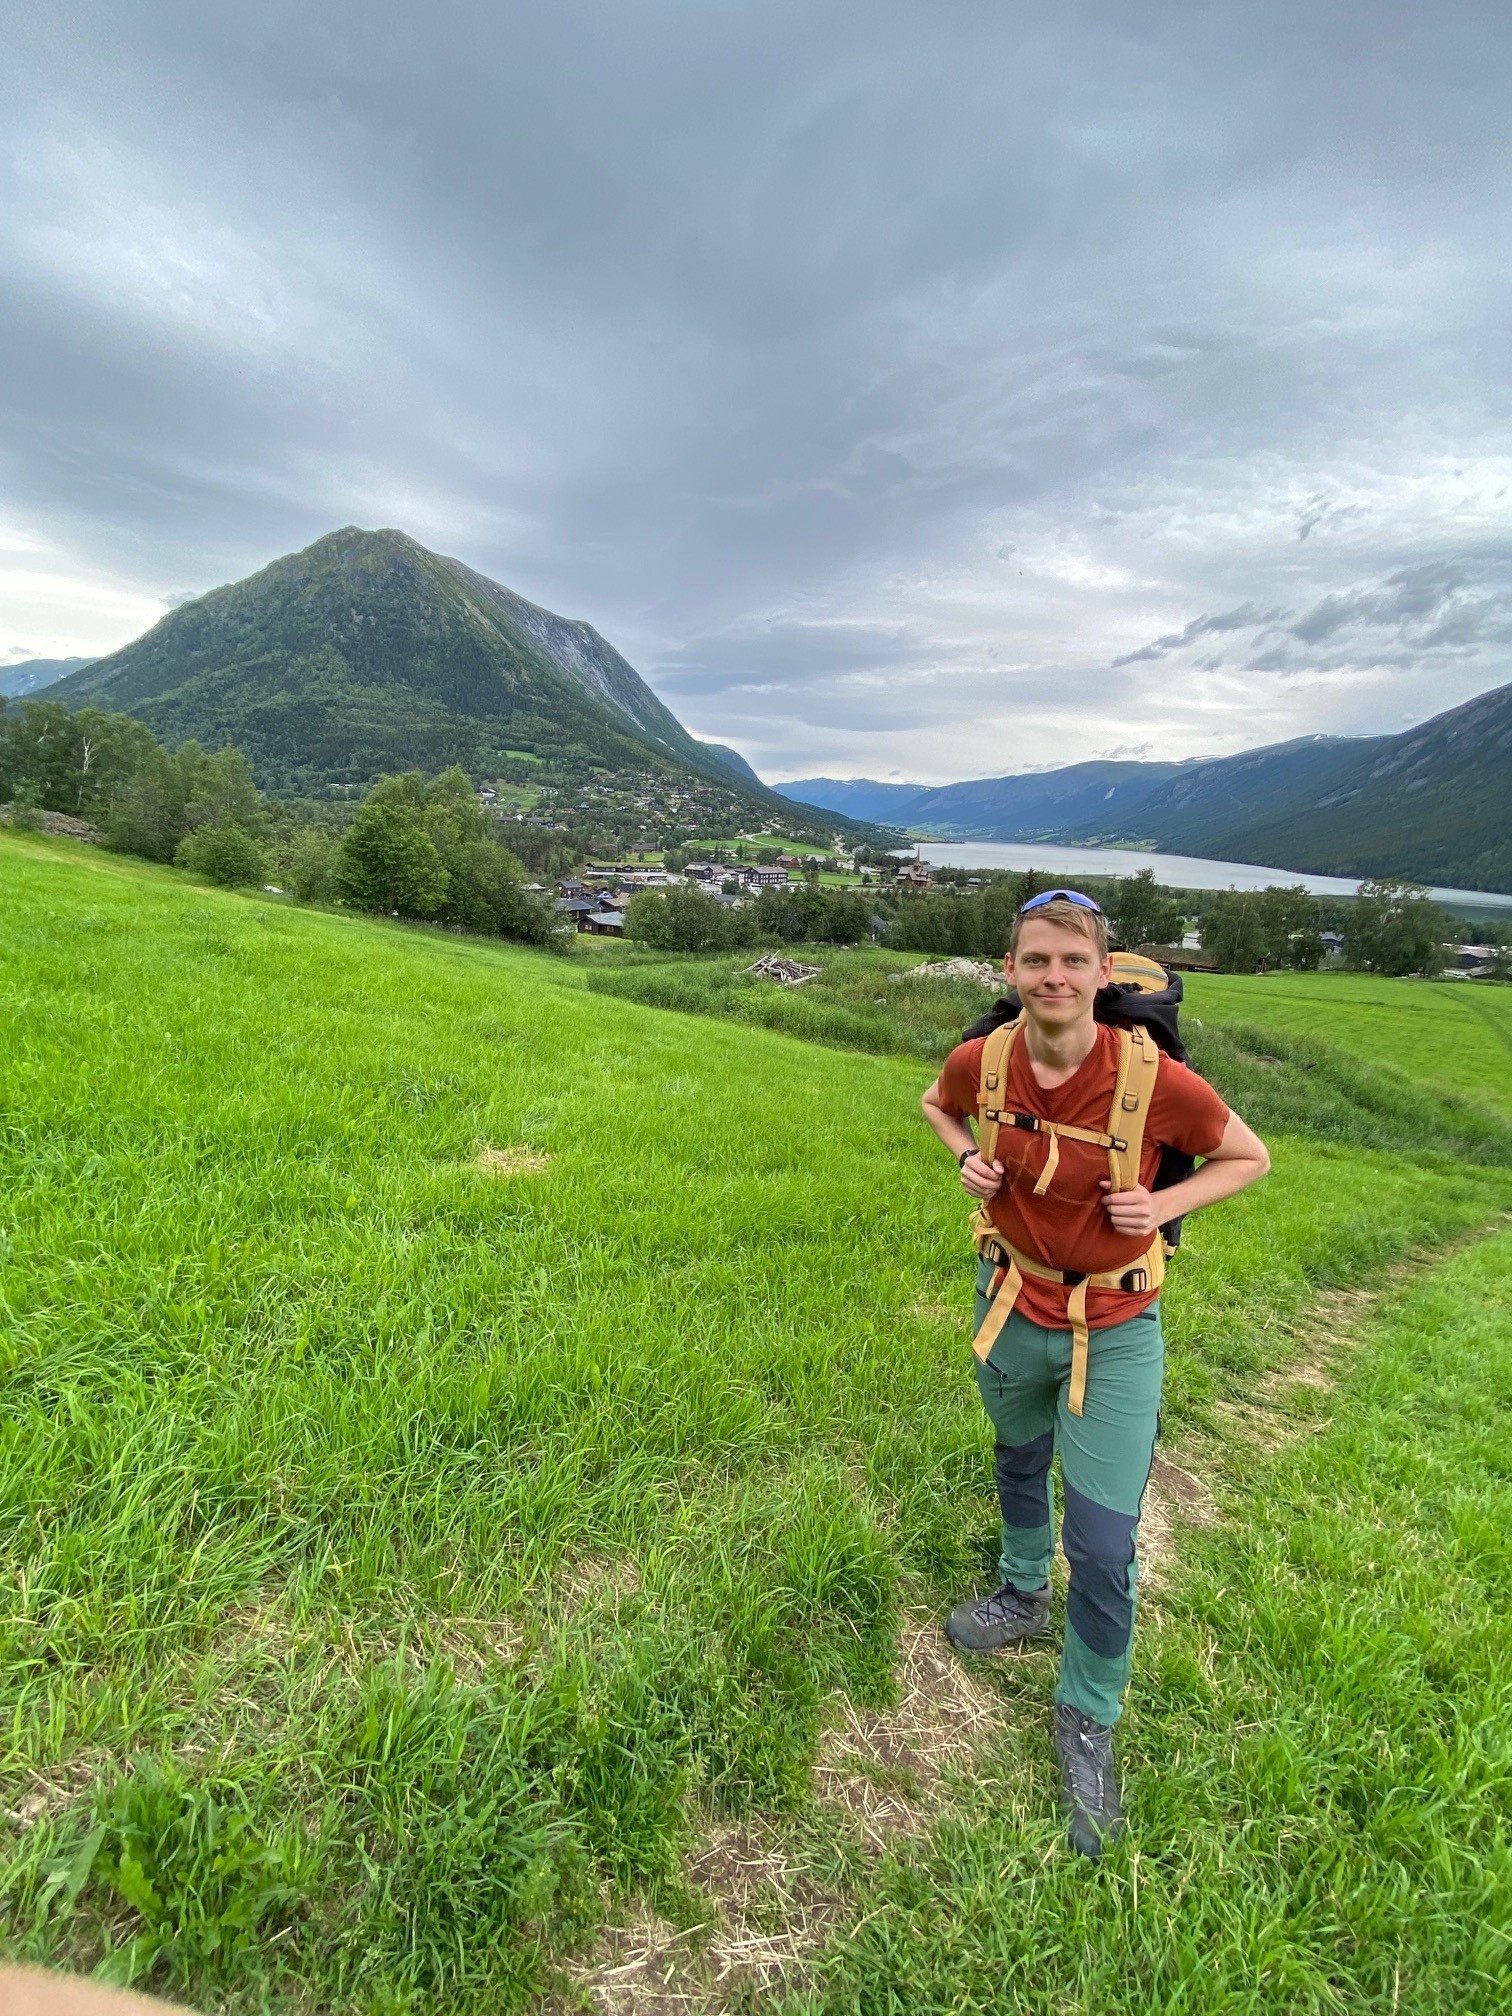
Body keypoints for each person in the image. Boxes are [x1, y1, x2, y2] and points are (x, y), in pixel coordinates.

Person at [921, 889, 1269, 1858]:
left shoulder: (1151, 1078)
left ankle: (1088, 1715)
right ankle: (1023, 1592)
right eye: (1036, 960)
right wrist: (966, 1158)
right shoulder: (984, 1060)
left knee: (1108, 1543)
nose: (1054, 977)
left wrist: (1162, 1207)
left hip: (1115, 1326)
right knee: (1017, 1458)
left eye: (1073, 962)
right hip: (1009, 1299)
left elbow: (1248, 1156)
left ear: (1102, 974)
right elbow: (936, 1106)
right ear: (1010, 970)